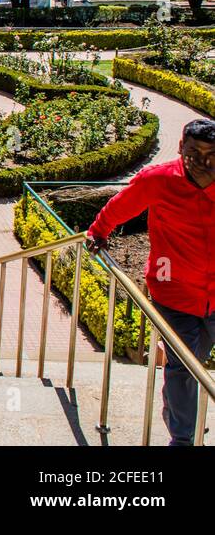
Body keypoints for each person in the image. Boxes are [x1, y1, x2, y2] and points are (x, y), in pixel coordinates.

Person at [86, 118, 215, 445]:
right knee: (183, 365)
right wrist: (97, 232)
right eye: (194, 152)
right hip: (173, 293)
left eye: (212, 154)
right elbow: (120, 207)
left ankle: (181, 412)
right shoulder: (158, 180)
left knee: (192, 360)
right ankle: (183, 438)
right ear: (180, 149)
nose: (203, 162)